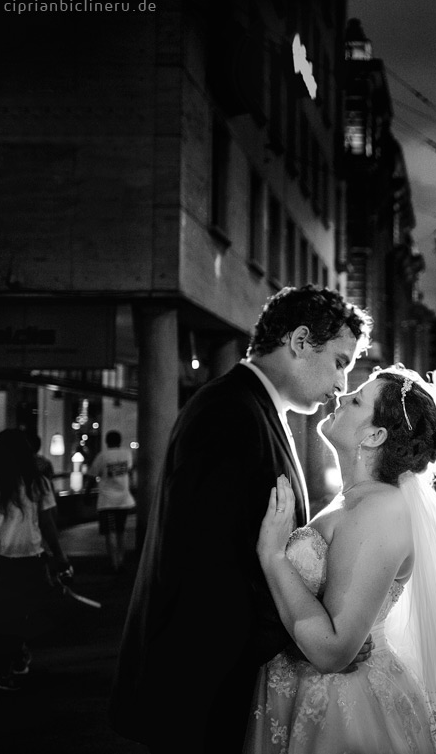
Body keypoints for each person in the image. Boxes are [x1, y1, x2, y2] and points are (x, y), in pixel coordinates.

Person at [110, 286, 372, 754]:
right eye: (339, 362)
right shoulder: (228, 413)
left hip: (217, 678)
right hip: (204, 682)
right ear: (299, 341)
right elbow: (208, 565)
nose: (340, 384)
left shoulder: (253, 407)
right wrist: (299, 642)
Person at [247, 366, 436, 754]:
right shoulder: (355, 499)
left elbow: (334, 651)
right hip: (310, 694)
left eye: (355, 400)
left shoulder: (382, 510)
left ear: (374, 435)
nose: (340, 397)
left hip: (341, 713)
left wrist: (272, 557)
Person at [0, 428, 72, 692]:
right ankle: (10, 661)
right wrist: (60, 558)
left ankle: (8, 662)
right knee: (24, 613)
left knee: (5, 612)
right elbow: (48, 524)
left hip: (0, 559)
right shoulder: (38, 483)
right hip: (30, 558)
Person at [89, 430, 136, 572]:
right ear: (120, 441)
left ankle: (114, 563)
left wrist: (86, 494)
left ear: (106, 441)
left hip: (107, 501)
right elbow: (129, 471)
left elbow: (92, 476)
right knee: (121, 531)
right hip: (124, 500)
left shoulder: (102, 456)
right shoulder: (127, 454)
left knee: (110, 532)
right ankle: (121, 560)